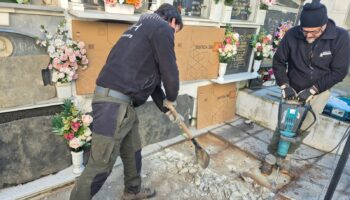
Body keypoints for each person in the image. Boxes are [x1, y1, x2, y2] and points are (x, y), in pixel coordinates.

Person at [69, 4, 183, 200]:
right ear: (173, 21)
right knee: (100, 164)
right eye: (175, 31)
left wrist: (165, 106)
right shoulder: (163, 28)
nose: (173, 35)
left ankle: (132, 190)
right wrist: (173, 96)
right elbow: (169, 72)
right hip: (114, 106)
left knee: (132, 149)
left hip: (121, 105)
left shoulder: (137, 30)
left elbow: (153, 80)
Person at [262, 0, 350, 175]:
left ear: (324, 25)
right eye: (305, 31)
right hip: (292, 88)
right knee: (284, 125)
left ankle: (287, 156)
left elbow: (339, 72)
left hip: (319, 90)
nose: (308, 35)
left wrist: (313, 90)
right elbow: (279, 61)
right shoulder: (293, 34)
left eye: (313, 32)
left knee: (302, 128)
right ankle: (271, 156)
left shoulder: (340, 38)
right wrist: (284, 84)